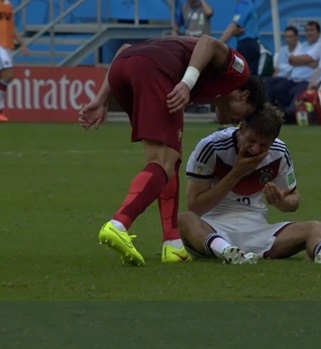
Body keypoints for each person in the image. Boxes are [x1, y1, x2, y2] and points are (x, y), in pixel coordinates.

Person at [78, 35, 265, 266]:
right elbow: (208, 42)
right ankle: (118, 224)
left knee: (168, 160)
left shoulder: (205, 77)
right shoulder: (240, 72)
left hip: (122, 69)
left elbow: (124, 48)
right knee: (162, 162)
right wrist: (186, 83)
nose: (236, 122)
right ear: (243, 96)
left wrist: (101, 98)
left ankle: (173, 243)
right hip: (155, 71)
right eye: (243, 117)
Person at [179, 104, 321, 265]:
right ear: (241, 128)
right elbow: (195, 207)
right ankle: (226, 251)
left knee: (318, 227)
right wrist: (237, 172)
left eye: (264, 145)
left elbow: (294, 200)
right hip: (212, 227)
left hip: (257, 230)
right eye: (251, 141)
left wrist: (281, 201)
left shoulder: (279, 152)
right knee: (184, 219)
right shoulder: (212, 147)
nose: (255, 149)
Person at [264, 26, 312, 116]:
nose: (288, 39)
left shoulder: (302, 49)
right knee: (267, 82)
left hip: (290, 77)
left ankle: (285, 111)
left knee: (278, 88)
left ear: (297, 37)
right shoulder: (283, 50)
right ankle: (267, 108)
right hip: (281, 76)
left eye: (291, 36)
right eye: (286, 37)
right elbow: (278, 68)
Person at [0, 0, 28, 121]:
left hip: (7, 45)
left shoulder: (8, 5)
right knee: (8, 75)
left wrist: (22, 43)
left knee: (4, 76)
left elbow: (11, 27)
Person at [221, 0, 260, 77]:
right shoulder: (249, 4)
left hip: (246, 47)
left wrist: (219, 43)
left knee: (238, 74)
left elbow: (233, 27)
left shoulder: (244, 4)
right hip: (252, 46)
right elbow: (236, 30)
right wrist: (235, 31)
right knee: (251, 78)